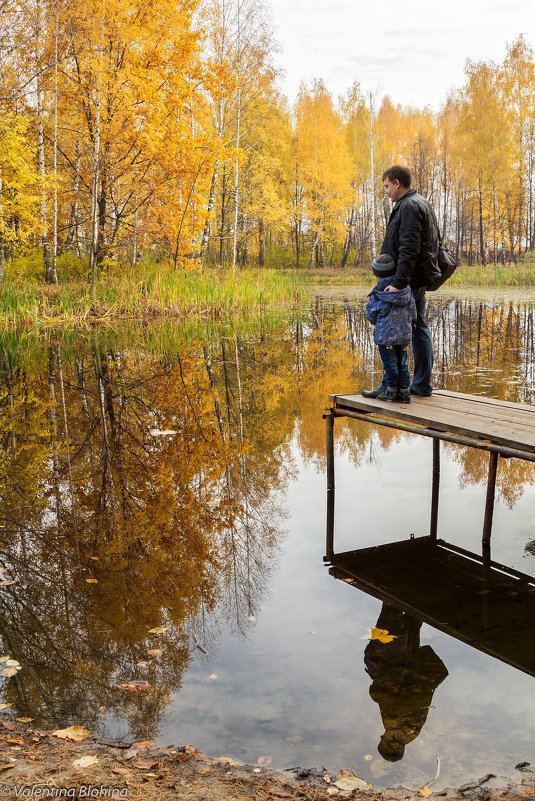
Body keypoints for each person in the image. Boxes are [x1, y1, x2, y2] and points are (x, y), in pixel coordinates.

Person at [363, 165, 441, 399]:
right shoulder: (419, 202)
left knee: (400, 332)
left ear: (397, 183)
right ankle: (409, 385)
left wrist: (397, 283)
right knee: (416, 329)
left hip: (408, 281)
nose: (385, 191)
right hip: (413, 279)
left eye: (386, 186)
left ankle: (404, 385)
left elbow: (409, 249)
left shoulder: (408, 205)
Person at [365, 254, 416, 403]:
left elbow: (372, 314)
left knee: (391, 365)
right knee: (402, 364)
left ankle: (391, 392)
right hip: (404, 335)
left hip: (385, 336)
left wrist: (378, 322)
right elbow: (413, 312)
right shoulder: (406, 290)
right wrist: (411, 326)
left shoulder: (379, 292)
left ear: (376, 274)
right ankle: (405, 392)